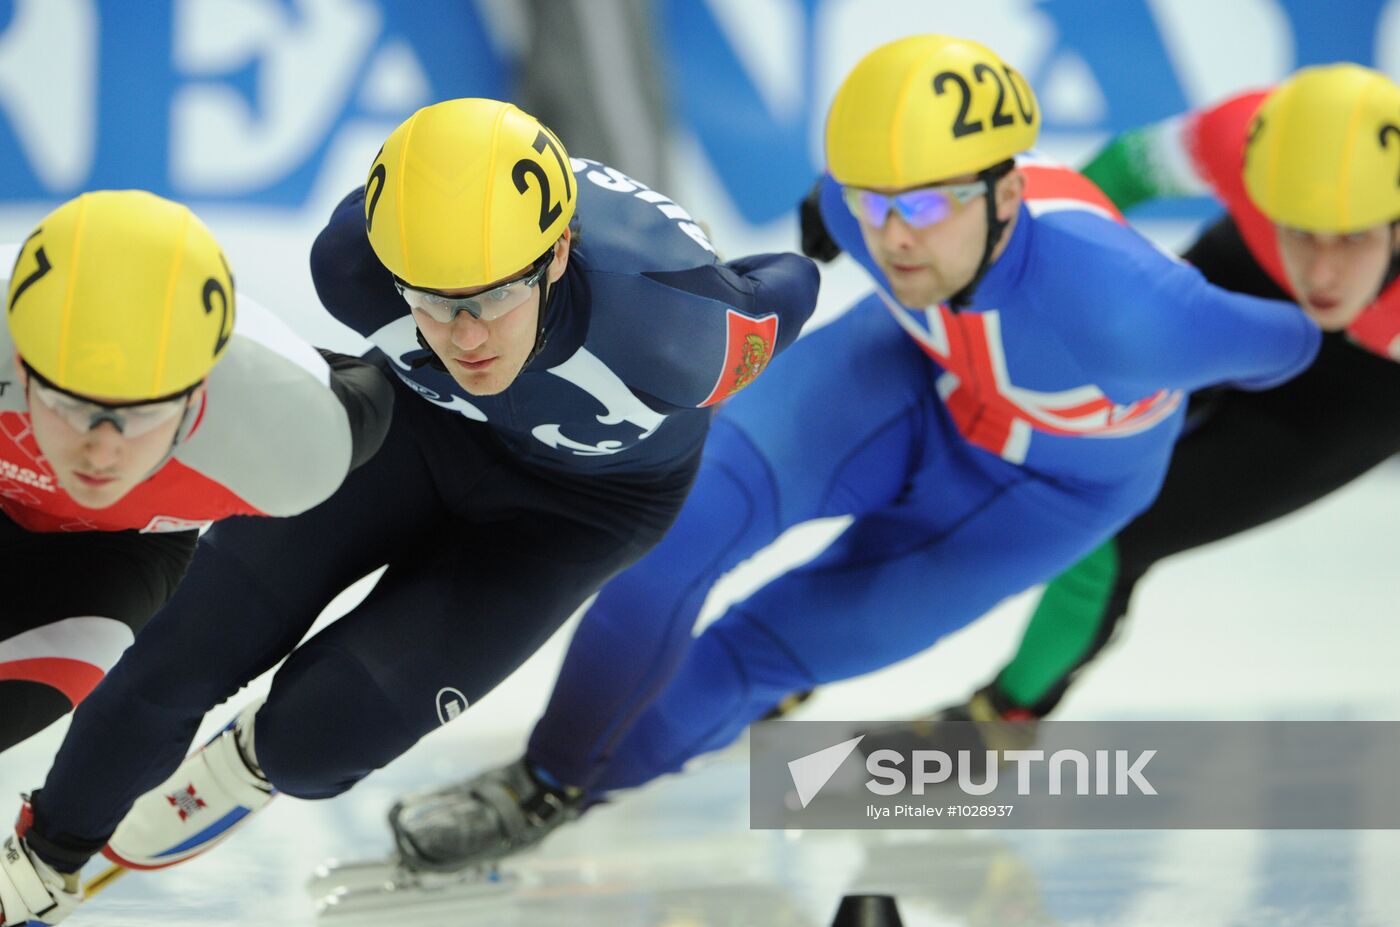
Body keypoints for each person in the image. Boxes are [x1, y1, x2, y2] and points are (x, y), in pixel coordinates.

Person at [362, 35, 1323, 875]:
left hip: (1040, 489)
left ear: (1006, 190)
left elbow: (1299, 339)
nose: (897, 235)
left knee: (761, 652)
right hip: (907, 373)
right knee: (670, 544)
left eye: (933, 205)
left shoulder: (1136, 311)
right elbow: (851, 211)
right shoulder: (858, 211)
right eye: (875, 202)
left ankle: (570, 782)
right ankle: (550, 770)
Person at [0, 98, 818, 924]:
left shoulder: (683, 332)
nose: (464, 336)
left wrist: (809, 233)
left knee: (321, 736)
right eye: (429, 300)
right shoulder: (350, 265)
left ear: (560, 251)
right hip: (422, 431)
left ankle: (248, 764)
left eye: (494, 297)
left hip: (582, 508)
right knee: (178, 653)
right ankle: (43, 856)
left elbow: (794, 280)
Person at [855, 62, 1400, 755]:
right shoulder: (1239, 136)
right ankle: (824, 611)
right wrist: (1017, 266)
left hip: (1369, 382)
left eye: (1351, 237)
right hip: (1253, 278)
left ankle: (997, 722)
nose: (1322, 272)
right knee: (1032, 406)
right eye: (1303, 228)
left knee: (1116, 531)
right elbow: (1105, 180)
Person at [0, 189, 393, 924]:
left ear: (197, 396)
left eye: (143, 410)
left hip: (118, 550)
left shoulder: (301, 438)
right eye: (73, 403)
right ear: (21, 367)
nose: (102, 446)